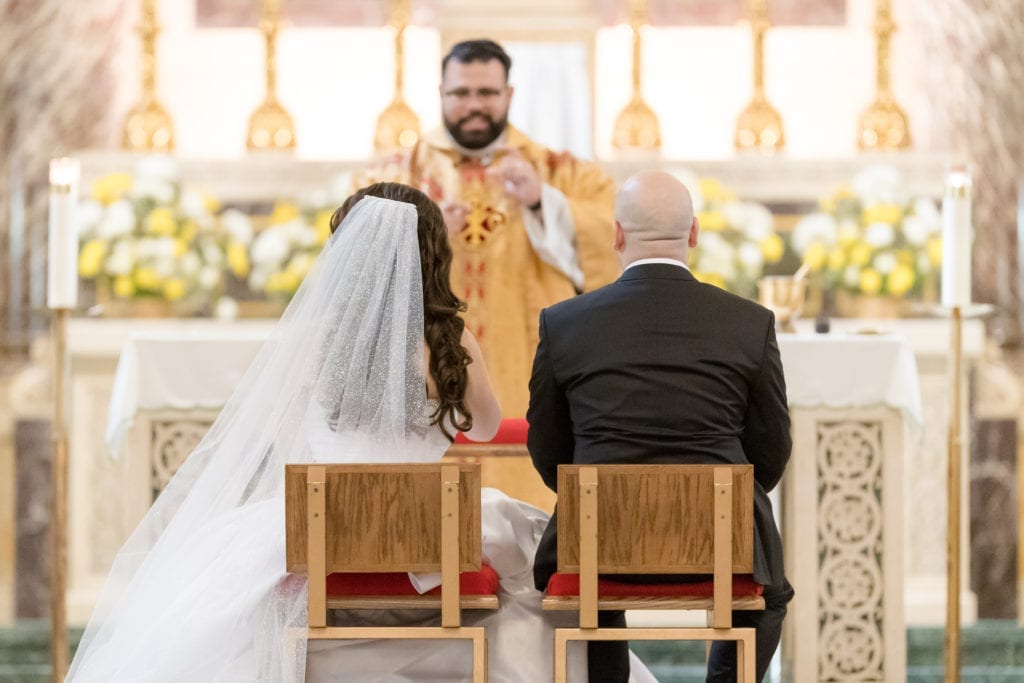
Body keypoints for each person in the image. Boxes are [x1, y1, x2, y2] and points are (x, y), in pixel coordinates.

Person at [68, 182, 654, 682]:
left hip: (326, 526)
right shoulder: (450, 341)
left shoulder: (316, 342)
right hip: (428, 530)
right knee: (530, 561)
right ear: (431, 253)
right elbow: (480, 424)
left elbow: (287, 443)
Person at [527, 171, 795, 682]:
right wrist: (722, 499)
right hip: (721, 541)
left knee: (591, 576)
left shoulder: (564, 323)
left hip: (598, 536)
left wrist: (605, 493)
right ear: (694, 233)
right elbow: (772, 446)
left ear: (617, 235)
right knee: (770, 594)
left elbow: (548, 445)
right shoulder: (748, 322)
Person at [361, 39, 621, 416]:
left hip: (524, 360)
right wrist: (423, 233)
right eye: (461, 93)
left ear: (509, 94)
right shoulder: (394, 176)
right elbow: (354, 265)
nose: (474, 106)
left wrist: (542, 202)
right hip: (423, 368)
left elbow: (611, 240)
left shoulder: (558, 172)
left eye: (487, 93)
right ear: (441, 93)